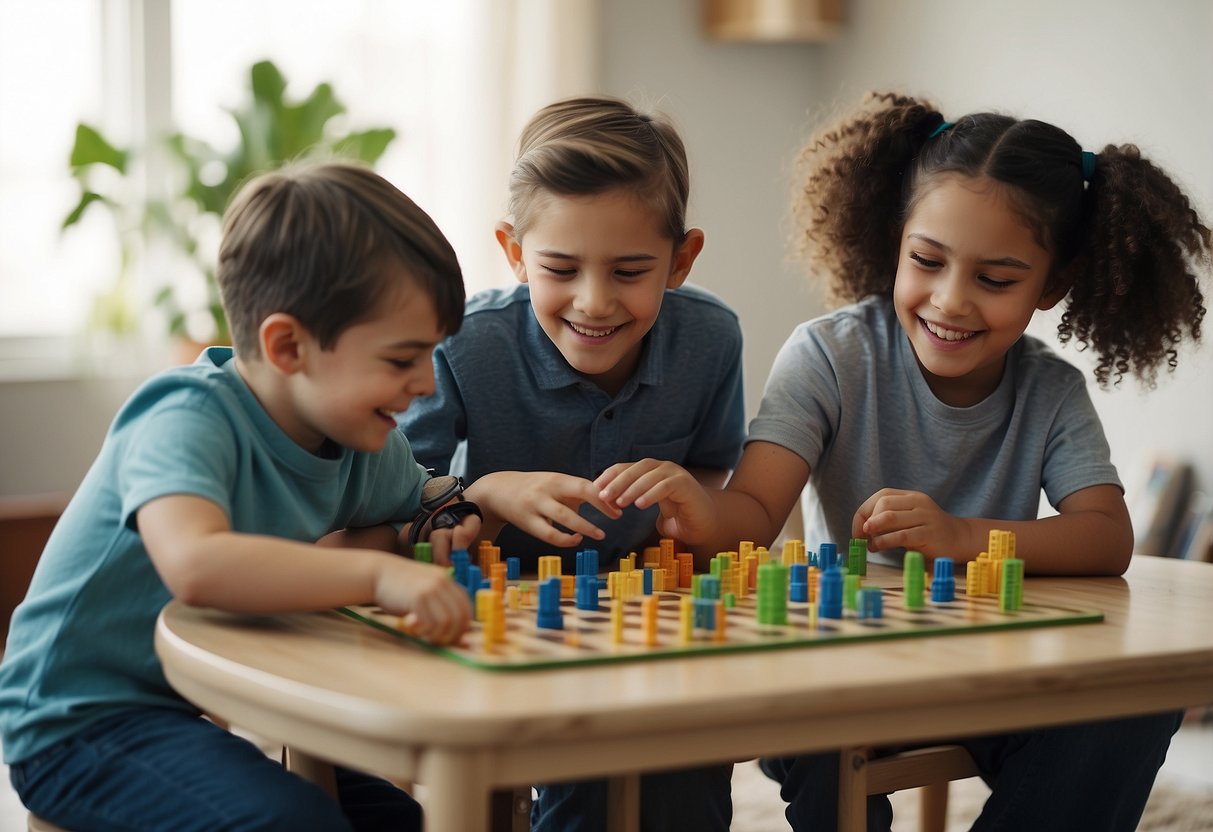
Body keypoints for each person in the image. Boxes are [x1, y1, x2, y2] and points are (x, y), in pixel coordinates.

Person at [596, 91, 1211, 831]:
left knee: (1129, 709)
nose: (950, 301)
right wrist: (701, 511)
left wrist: (959, 536)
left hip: (987, 666)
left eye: (995, 279)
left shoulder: (1050, 391)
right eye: (927, 261)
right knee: (817, 736)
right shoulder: (829, 354)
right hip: (842, 666)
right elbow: (755, 513)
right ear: (894, 238)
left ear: (1053, 283)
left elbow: (1105, 537)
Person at [0, 162, 485, 832]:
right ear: (288, 346)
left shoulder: (356, 436)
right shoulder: (184, 416)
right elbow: (196, 566)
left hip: (200, 706)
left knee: (398, 822)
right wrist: (379, 570)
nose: (427, 384)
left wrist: (453, 511)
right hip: (74, 720)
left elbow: (426, 496)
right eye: (402, 359)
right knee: (290, 821)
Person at [399, 95, 744, 831]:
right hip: (502, 617)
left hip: (646, 611)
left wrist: (688, 505)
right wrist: (484, 494)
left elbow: (714, 469)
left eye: (629, 271)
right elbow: (397, 497)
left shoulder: (711, 339)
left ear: (681, 260)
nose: (594, 302)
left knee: (685, 776)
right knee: (575, 782)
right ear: (515, 252)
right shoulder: (465, 344)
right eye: (560, 268)